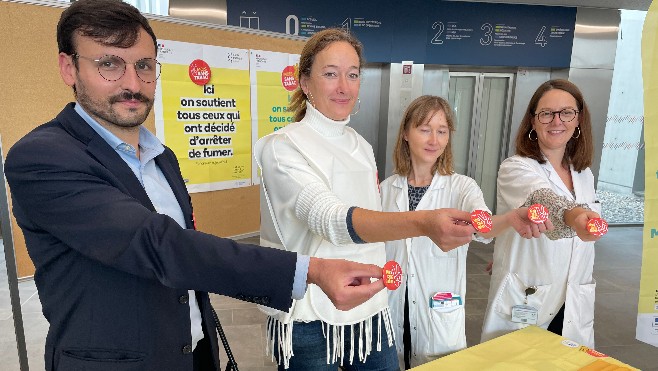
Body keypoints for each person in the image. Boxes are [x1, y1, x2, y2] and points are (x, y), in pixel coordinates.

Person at [4, 2, 389, 370]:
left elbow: (186, 265)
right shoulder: (43, 158)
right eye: (109, 64)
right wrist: (311, 270)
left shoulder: (162, 157)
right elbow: (160, 246)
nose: (132, 82)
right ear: (68, 68)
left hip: (193, 353)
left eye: (144, 65)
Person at [254, 30, 477, 371]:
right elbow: (328, 219)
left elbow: (369, 224)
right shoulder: (282, 147)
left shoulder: (361, 146)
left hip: (370, 309)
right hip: (308, 312)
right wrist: (423, 222)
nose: (344, 86)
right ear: (306, 83)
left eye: (353, 74)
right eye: (330, 74)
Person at [380, 95, 552, 369]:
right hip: (390, 304)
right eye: (424, 129)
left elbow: (482, 226)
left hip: (438, 311)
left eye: (442, 131)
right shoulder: (386, 190)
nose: (433, 140)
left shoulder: (462, 187)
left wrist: (508, 218)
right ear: (405, 133)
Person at [480, 79, 603, 348]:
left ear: (579, 119)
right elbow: (543, 201)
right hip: (529, 297)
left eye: (566, 112)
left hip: (574, 299)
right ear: (533, 122)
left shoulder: (584, 174)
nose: (556, 121)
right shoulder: (515, 167)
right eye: (546, 113)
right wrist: (576, 216)